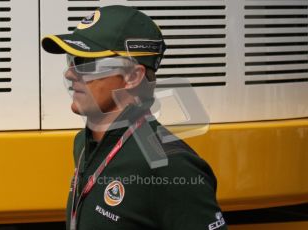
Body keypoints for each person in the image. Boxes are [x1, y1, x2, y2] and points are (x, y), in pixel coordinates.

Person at [42, 5, 227, 230]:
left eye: (85, 63)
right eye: (72, 60)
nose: (70, 73)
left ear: (132, 76)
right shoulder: (84, 143)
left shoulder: (170, 166)